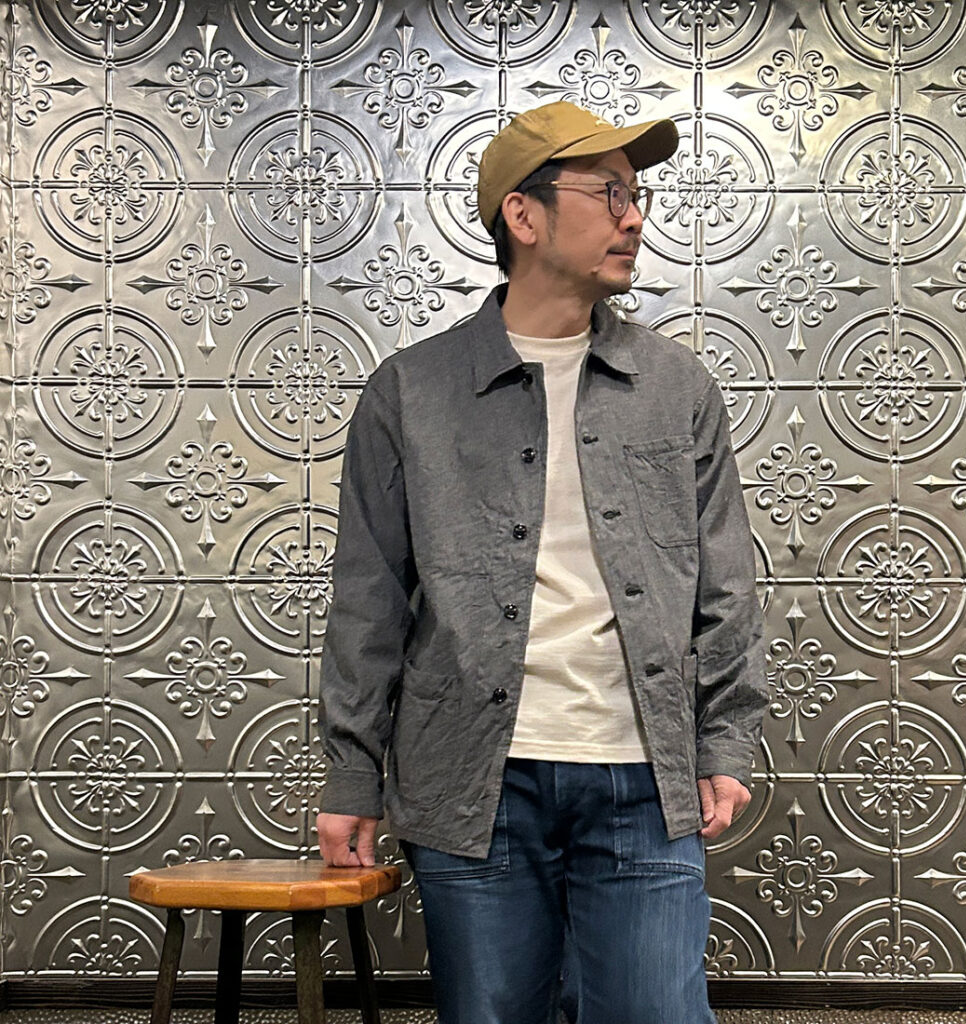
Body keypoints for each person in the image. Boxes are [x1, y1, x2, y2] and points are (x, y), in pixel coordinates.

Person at [316, 100, 768, 1024]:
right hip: (473, 781)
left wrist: (725, 740)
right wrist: (351, 776)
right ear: (523, 215)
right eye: (610, 194)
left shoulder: (677, 387)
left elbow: (725, 585)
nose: (633, 218)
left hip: (643, 776)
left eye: (636, 196)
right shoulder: (411, 392)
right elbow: (368, 599)